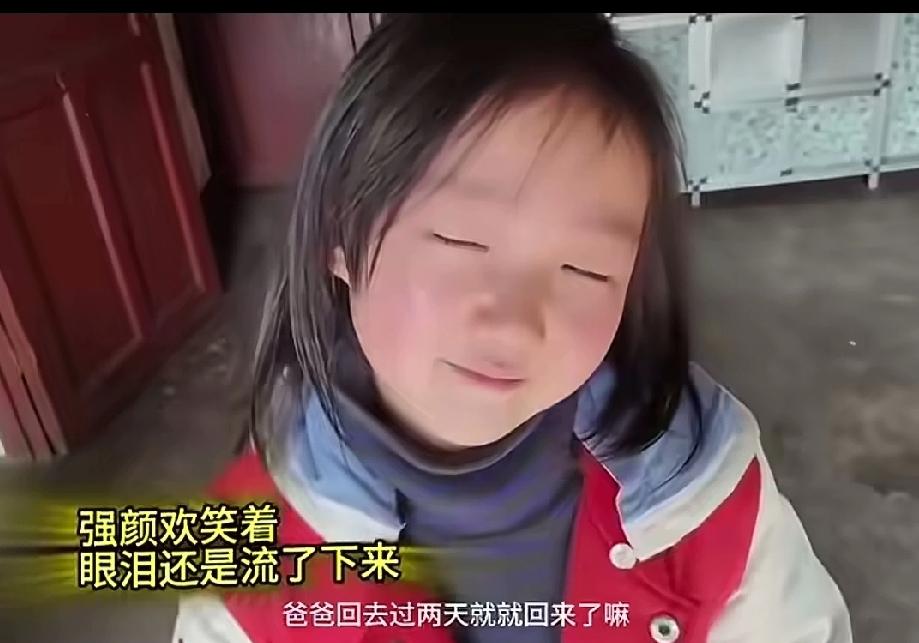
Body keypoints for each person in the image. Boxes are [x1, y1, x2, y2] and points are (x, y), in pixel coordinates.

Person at [173, 13, 851, 643]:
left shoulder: (710, 496)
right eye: (459, 240)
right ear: (337, 235)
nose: (516, 323)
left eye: (585, 269)